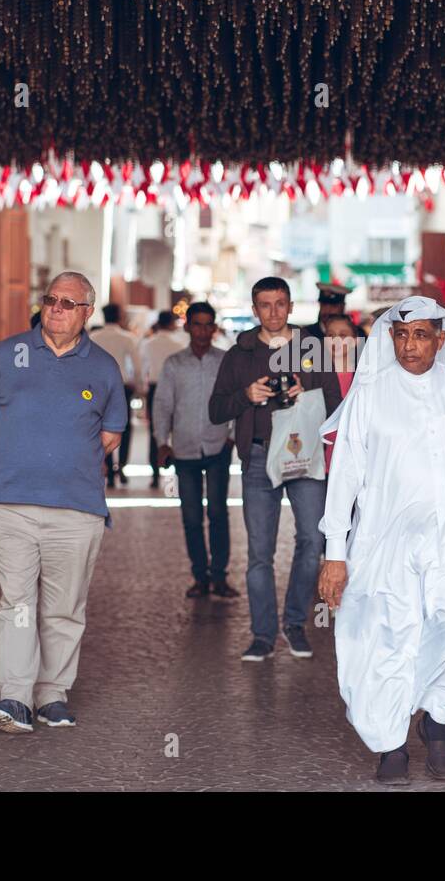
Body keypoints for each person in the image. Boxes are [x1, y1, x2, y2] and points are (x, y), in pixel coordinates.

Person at [317, 297, 445, 784]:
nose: (410, 345)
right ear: (390, 338)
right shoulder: (370, 395)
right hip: (385, 540)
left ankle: (438, 719)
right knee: (390, 637)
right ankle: (391, 744)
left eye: (421, 335)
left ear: (440, 339)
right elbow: (344, 477)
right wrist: (334, 555)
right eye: (402, 335)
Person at [0, 272, 128, 733]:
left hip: (76, 510)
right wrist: (18, 458)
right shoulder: (7, 353)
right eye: (51, 300)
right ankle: (15, 697)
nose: (56, 308)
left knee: (64, 606)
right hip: (9, 504)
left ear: (86, 312)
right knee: (17, 601)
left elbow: (110, 434)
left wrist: (67, 463)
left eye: (68, 302)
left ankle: (53, 695)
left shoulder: (102, 366)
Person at [209, 276, 341, 661]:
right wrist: (245, 396)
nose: (273, 311)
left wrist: (308, 393)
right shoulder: (240, 354)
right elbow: (216, 410)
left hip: (304, 457)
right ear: (254, 310)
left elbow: (336, 402)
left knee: (313, 541)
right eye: (265, 305)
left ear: (290, 306)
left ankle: (295, 624)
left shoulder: (312, 348)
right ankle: (263, 635)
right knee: (259, 553)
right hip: (256, 457)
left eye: (280, 303)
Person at [152, 302, 238, 599]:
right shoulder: (174, 364)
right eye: (197, 324)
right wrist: (162, 441)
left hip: (218, 447)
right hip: (184, 449)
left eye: (207, 324)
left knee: (217, 512)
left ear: (214, 328)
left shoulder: (226, 361)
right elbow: (162, 404)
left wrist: (233, 437)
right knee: (191, 516)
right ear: (187, 326)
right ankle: (199, 577)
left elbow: (238, 400)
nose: (202, 330)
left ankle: (220, 578)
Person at [90, 303, 145, 488]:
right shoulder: (127, 338)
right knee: (125, 426)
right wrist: (139, 386)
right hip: (121, 385)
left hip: (98, 386)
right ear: (120, 316)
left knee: (101, 426)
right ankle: (121, 466)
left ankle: (106, 467)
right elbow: (137, 366)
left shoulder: (93, 337)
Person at [140, 311, 189, 489]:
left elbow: (143, 367)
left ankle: (155, 474)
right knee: (178, 431)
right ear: (171, 324)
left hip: (154, 387)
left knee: (155, 431)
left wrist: (142, 389)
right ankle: (179, 473)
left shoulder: (148, 344)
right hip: (176, 389)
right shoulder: (179, 343)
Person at [321, 314, 361, 474]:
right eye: (331, 335)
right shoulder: (313, 377)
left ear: (356, 341)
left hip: (354, 465)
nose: (336, 340)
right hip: (320, 464)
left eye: (343, 335)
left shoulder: (365, 378)